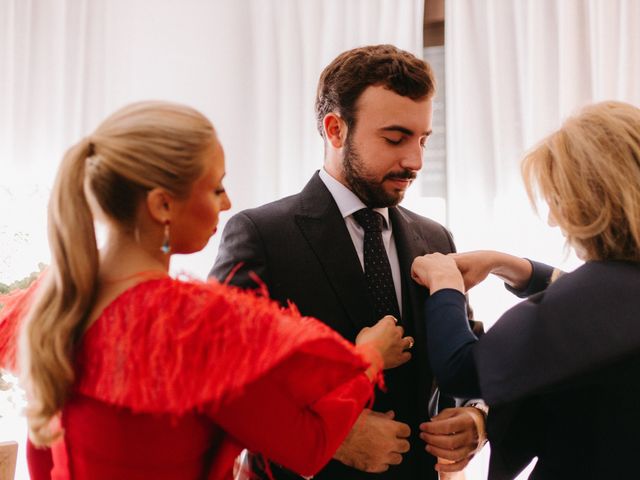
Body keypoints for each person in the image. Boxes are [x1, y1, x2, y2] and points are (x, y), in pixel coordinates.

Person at [0, 100, 415, 480]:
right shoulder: (198, 327)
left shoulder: (49, 301)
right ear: (162, 205)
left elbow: (42, 460)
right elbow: (307, 445)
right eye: (216, 187)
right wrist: (368, 359)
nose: (227, 202)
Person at [211, 44, 487, 480]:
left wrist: (477, 418)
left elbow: (470, 357)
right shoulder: (260, 235)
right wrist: (330, 434)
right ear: (335, 130)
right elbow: (224, 384)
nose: (415, 161)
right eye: (395, 138)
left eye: (423, 140)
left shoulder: (435, 237)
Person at [412, 100, 640, 479]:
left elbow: (463, 369)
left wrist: (446, 288)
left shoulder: (588, 301)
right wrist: (514, 267)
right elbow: (609, 311)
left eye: (558, 198)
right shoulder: (619, 291)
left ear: (592, 199)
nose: (554, 218)